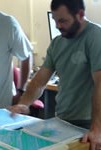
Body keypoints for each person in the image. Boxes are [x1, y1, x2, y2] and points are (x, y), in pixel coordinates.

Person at [8, 0, 101, 149]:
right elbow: (39, 82)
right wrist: (23, 104)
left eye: (63, 21)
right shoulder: (57, 43)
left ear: (80, 15)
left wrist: (97, 129)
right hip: (63, 121)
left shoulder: (96, 36)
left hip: (89, 124)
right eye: (55, 20)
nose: (58, 26)